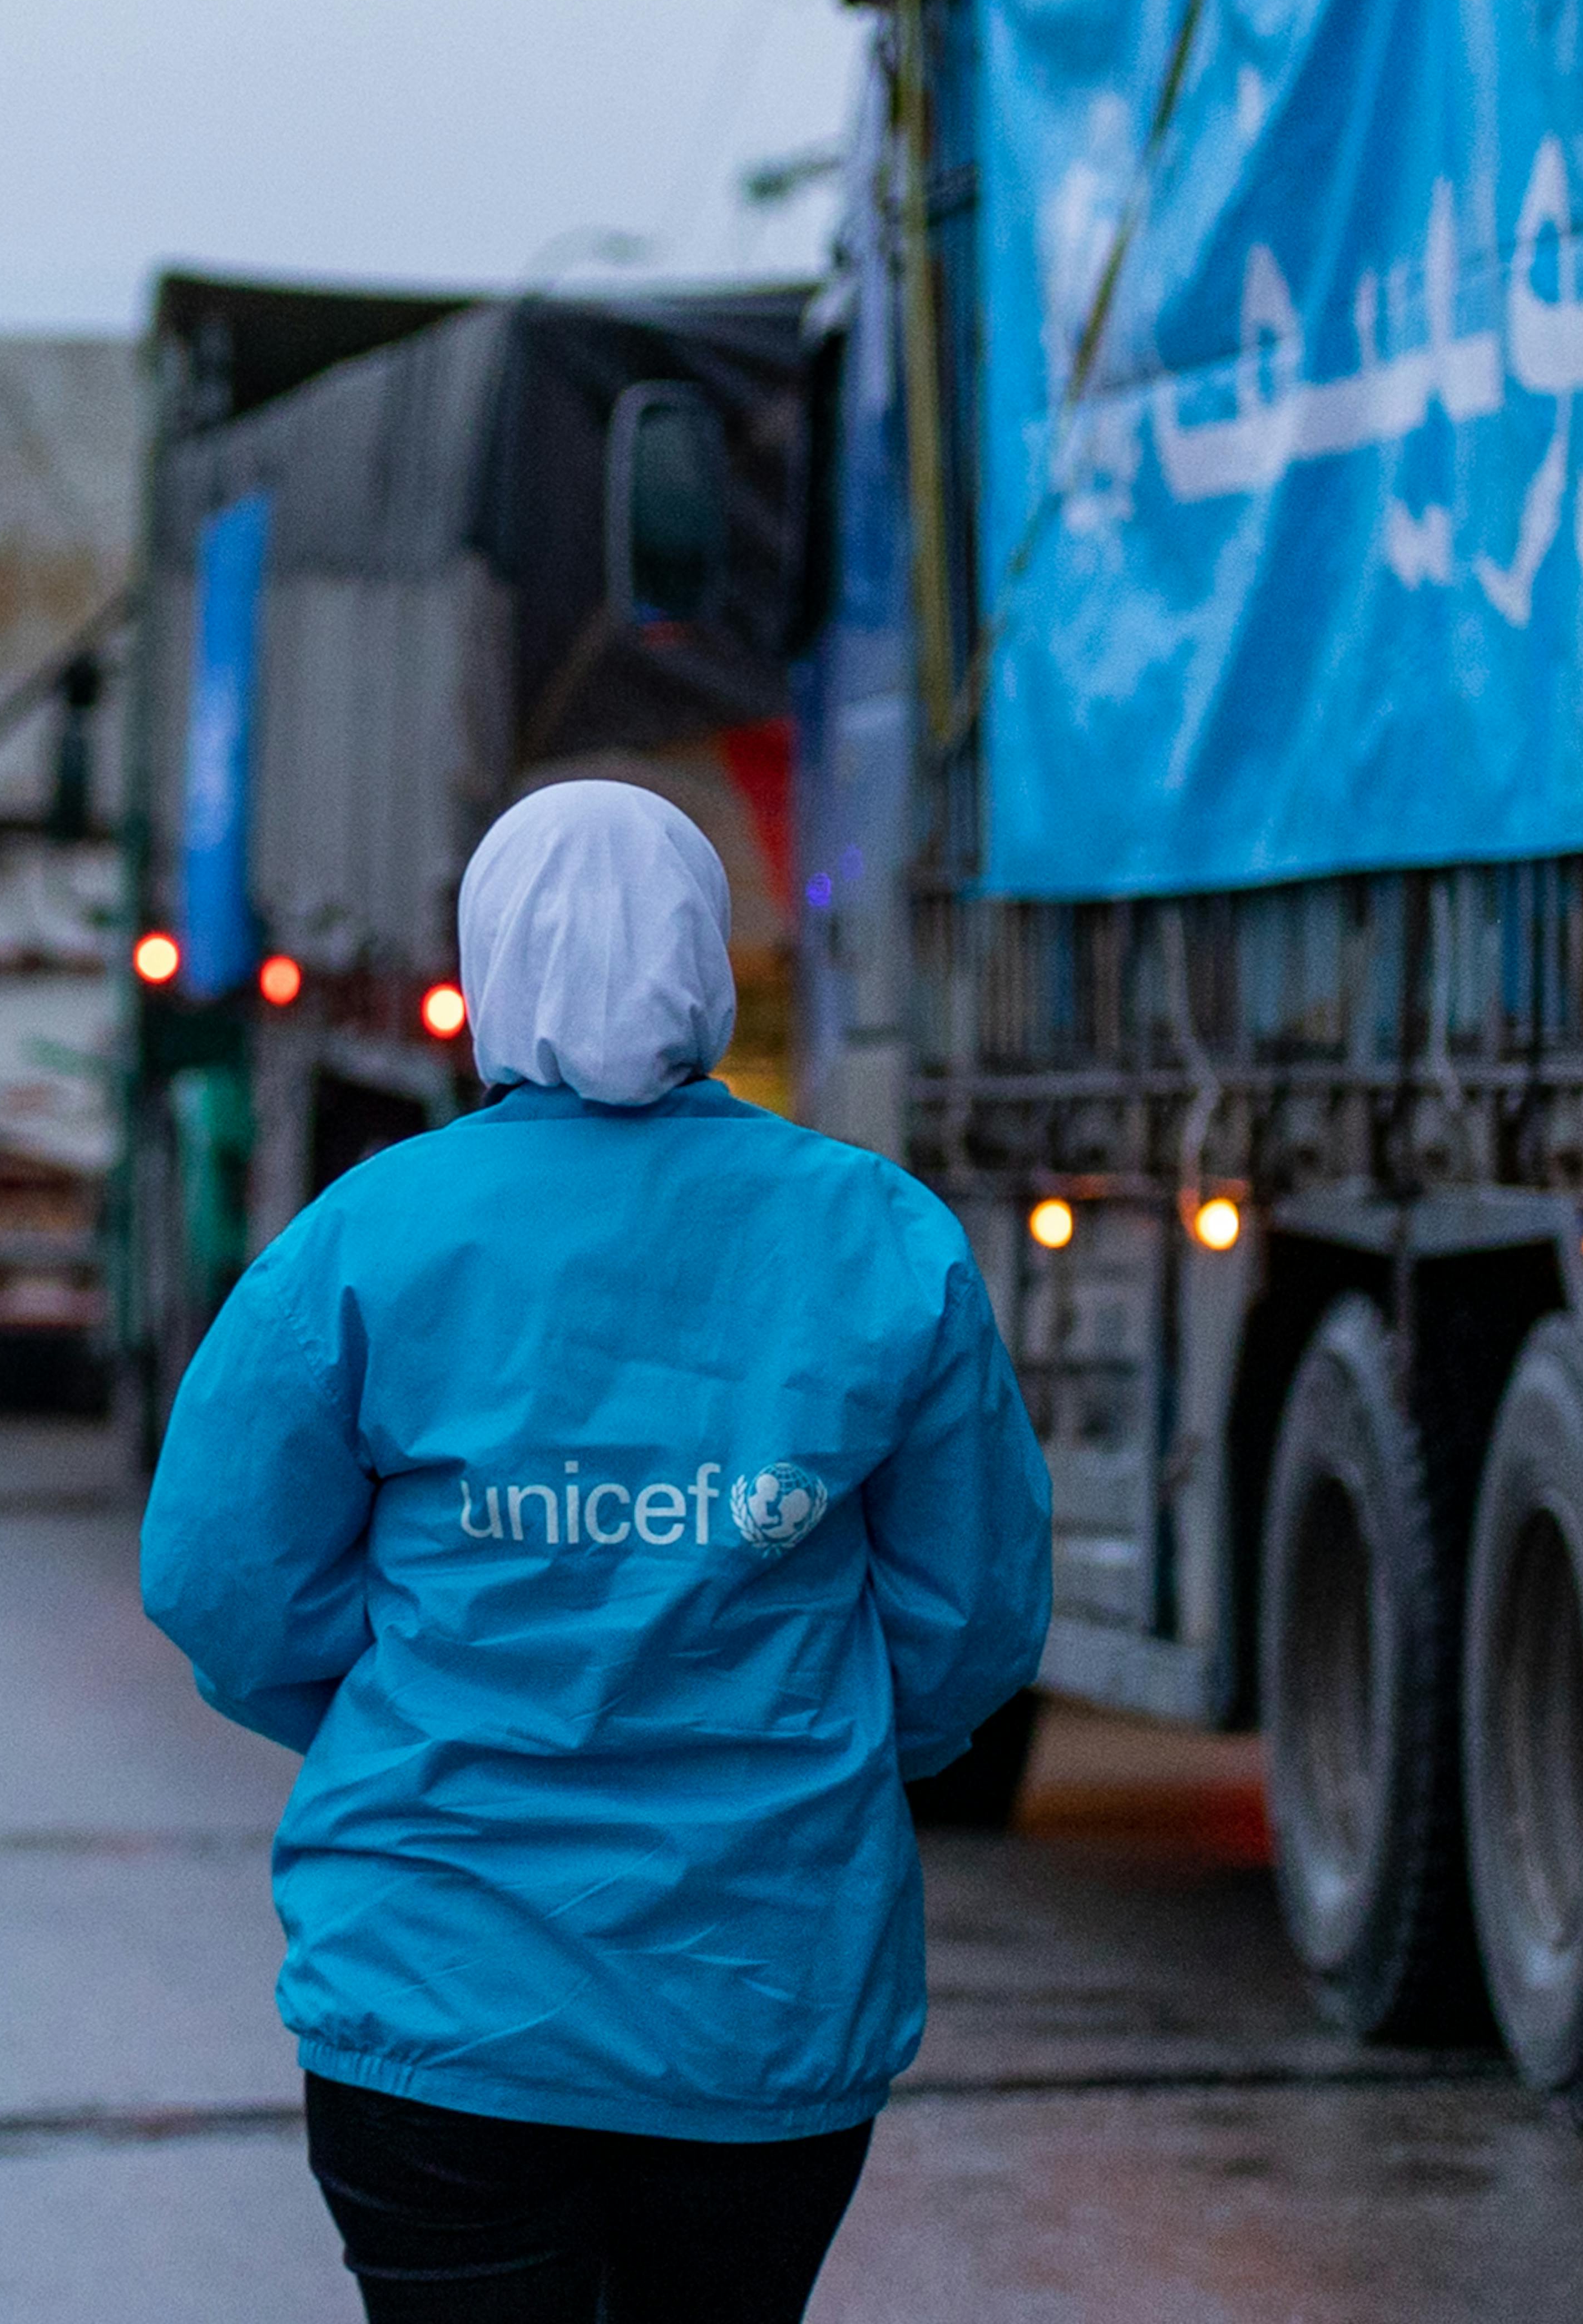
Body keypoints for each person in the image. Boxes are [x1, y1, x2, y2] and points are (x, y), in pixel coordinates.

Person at [141, 779, 1053, 2324]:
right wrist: (811, 1729)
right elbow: (973, 1610)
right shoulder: (880, 1239)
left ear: (490, 965)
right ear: (707, 957)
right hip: (759, 2008)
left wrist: (391, 1707)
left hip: (436, 1999)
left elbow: (221, 1580)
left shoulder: (367, 1239)